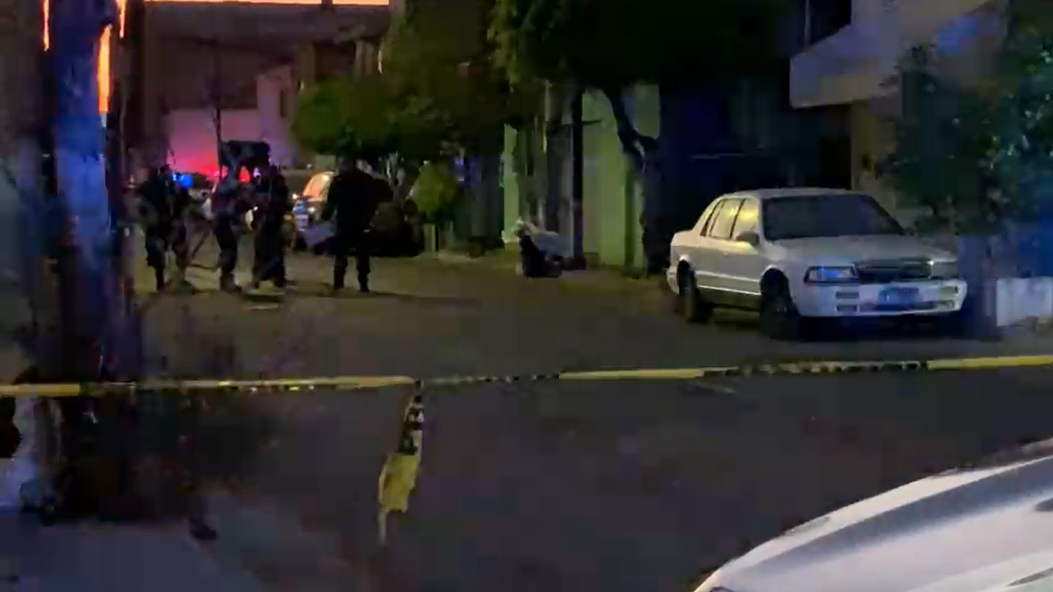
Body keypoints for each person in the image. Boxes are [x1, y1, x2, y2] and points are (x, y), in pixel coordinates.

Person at [322, 160, 387, 293]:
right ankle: (363, 284)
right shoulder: (366, 180)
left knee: (341, 254)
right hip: (362, 221)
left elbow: (331, 203)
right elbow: (374, 199)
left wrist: (325, 218)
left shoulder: (339, 181)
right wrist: (370, 215)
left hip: (345, 221)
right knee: (362, 255)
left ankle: (338, 283)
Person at [139, 165, 192, 292]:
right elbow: (142, 203)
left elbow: (184, 202)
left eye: (170, 173)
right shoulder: (152, 187)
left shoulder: (174, 187)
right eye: (168, 173)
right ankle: (161, 282)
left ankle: (179, 279)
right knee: (159, 254)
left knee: (180, 250)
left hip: (172, 223)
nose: (170, 175)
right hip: (160, 224)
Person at [251, 166, 291, 289]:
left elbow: (284, 204)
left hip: (274, 223)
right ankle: (261, 276)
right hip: (263, 222)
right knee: (263, 251)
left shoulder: (278, 186)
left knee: (274, 251)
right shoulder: (261, 185)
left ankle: (275, 278)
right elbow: (255, 201)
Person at [211, 172, 242, 293]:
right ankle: (226, 279)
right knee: (230, 250)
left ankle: (225, 279)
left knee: (229, 250)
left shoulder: (221, 188)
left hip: (221, 220)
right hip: (223, 221)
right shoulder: (230, 189)